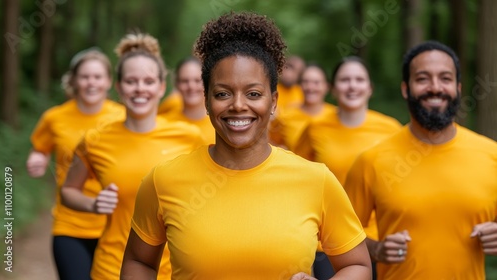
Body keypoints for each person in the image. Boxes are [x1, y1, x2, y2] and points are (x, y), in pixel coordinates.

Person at [121, 11, 371, 280]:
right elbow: (139, 262)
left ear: (273, 101)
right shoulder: (162, 180)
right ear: (206, 100)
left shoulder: (316, 180)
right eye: (222, 93)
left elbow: (357, 266)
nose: (238, 105)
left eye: (253, 93)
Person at [343, 40, 497, 279]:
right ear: (406, 88)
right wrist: (377, 249)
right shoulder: (371, 161)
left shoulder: (491, 156)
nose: (435, 88)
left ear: (458, 87)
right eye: (423, 79)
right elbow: (340, 238)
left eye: (445, 79)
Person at [60, 33, 204, 280]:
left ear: (161, 87)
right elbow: (68, 191)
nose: (140, 88)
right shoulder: (95, 140)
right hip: (112, 268)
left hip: (175, 271)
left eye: (148, 81)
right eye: (131, 81)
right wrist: (92, 205)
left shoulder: (189, 137)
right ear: (118, 87)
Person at [26, 48, 124, 280]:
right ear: (74, 80)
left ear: (109, 81)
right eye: (85, 76)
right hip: (69, 223)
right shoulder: (55, 118)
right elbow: (39, 149)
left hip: (115, 225)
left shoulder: (123, 117)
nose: (91, 83)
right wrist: (37, 158)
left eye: (98, 77)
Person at [300, 57, 401, 279]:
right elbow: (297, 178)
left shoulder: (391, 129)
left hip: (381, 240)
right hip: (329, 241)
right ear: (333, 89)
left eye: (359, 79)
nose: (352, 86)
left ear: (370, 88)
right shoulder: (315, 128)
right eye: (345, 80)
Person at [269, 64, 336, 157]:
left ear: (327, 87)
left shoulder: (336, 115)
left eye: (316, 82)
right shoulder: (285, 115)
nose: (310, 87)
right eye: (305, 82)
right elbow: (270, 143)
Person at [162, 57, 215, 144]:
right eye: (184, 81)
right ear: (177, 84)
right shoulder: (165, 124)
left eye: (197, 81)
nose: (191, 86)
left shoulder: (219, 124)